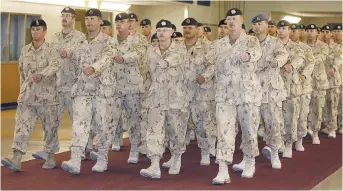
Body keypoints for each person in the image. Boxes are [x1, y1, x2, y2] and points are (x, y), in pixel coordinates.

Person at [61, 8, 119, 174]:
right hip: (82, 89)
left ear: (100, 21)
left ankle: (102, 157)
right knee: (79, 123)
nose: (89, 21)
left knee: (102, 125)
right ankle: (75, 159)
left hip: (102, 90)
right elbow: (72, 55)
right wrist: (66, 53)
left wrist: (94, 68)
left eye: (93, 19)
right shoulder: (79, 41)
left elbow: (107, 59)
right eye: (87, 19)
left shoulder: (109, 41)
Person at [1, 19, 61, 171]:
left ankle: (50, 157)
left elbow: (54, 66)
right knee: (22, 126)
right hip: (28, 97)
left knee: (50, 129)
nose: (35, 32)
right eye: (33, 29)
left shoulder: (51, 49)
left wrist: (42, 75)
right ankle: (17, 158)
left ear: (45, 31)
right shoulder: (25, 50)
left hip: (47, 98)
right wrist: (21, 92)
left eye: (38, 29)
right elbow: (21, 72)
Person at [211, 8, 262, 184]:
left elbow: (256, 53)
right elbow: (216, 63)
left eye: (235, 19)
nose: (231, 22)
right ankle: (223, 169)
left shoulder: (251, 40)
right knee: (223, 132)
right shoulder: (218, 44)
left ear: (241, 21)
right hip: (224, 95)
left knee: (249, 130)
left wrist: (248, 55)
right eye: (229, 19)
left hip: (247, 94)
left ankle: (250, 161)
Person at [32, 7, 88, 162]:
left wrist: (69, 53)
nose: (64, 18)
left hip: (73, 86)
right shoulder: (55, 37)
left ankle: (83, 148)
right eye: (62, 15)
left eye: (67, 15)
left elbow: (84, 57)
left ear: (73, 18)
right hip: (56, 85)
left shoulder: (80, 37)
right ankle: (49, 150)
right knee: (51, 120)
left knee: (77, 120)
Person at [140, 19, 188, 179]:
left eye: (165, 30)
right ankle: (154, 165)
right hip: (155, 97)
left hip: (175, 97)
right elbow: (146, 72)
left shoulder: (180, 49)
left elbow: (175, 61)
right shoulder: (150, 50)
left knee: (175, 130)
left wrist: (165, 61)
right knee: (154, 130)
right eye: (159, 30)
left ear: (172, 33)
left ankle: (176, 157)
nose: (161, 33)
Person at [248, 14, 288, 170]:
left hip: (271, 91)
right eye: (255, 24)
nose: (257, 26)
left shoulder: (275, 42)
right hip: (252, 90)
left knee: (273, 124)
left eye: (260, 23)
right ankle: (249, 157)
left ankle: (275, 153)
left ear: (266, 25)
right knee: (250, 125)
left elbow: (283, 55)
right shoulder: (248, 42)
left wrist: (277, 62)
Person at [305, 24, 330, 145]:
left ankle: (315, 132)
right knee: (305, 108)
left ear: (317, 33)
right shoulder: (301, 46)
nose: (310, 33)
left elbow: (321, 57)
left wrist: (308, 59)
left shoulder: (323, 46)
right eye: (308, 30)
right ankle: (305, 129)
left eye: (312, 31)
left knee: (318, 108)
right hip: (305, 82)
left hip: (319, 83)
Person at [321, 25, 342, 139]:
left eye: (327, 32)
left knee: (333, 105)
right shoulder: (320, 47)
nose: (325, 34)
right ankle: (326, 125)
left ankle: (333, 128)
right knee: (323, 106)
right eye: (323, 31)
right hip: (321, 81)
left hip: (333, 81)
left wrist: (334, 68)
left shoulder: (336, 47)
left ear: (331, 34)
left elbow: (338, 59)